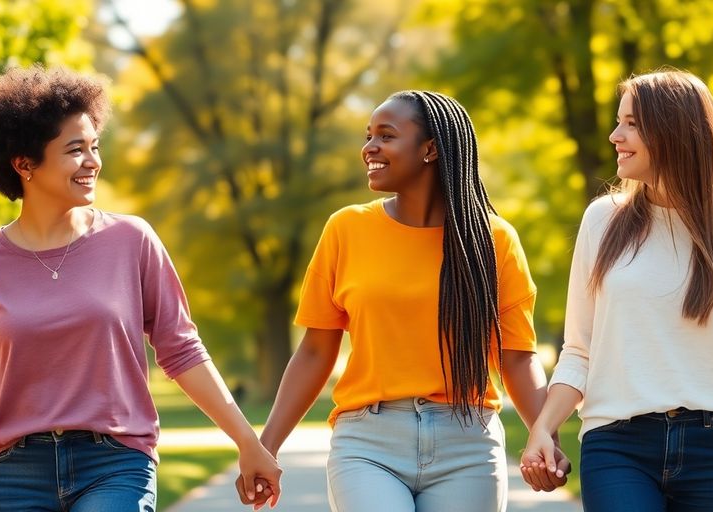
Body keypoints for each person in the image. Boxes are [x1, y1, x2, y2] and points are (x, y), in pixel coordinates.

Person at [0, 66, 281, 512]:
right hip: (14, 471)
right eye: (75, 150)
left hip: (116, 462)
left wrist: (247, 441)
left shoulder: (131, 241)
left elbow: (182, 350)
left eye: (95, 146)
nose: (93, 162)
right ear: (24, 164)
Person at [520, 69, 713, 511]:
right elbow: (580, 349)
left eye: (631, 123)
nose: (615, 135)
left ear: (674, 131)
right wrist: (542, 427)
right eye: (618, 121)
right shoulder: (602, 220)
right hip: (617, 444)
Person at [237, 90, 570, 511]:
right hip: (367, 443)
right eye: (369, 135)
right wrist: (265, 446)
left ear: (430, 149)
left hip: (466, 443)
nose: (369, 148)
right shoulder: (347, 229)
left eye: (386, 136)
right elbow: (316, 350)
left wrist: (546, 438)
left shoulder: (493, 241)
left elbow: (517, 358)